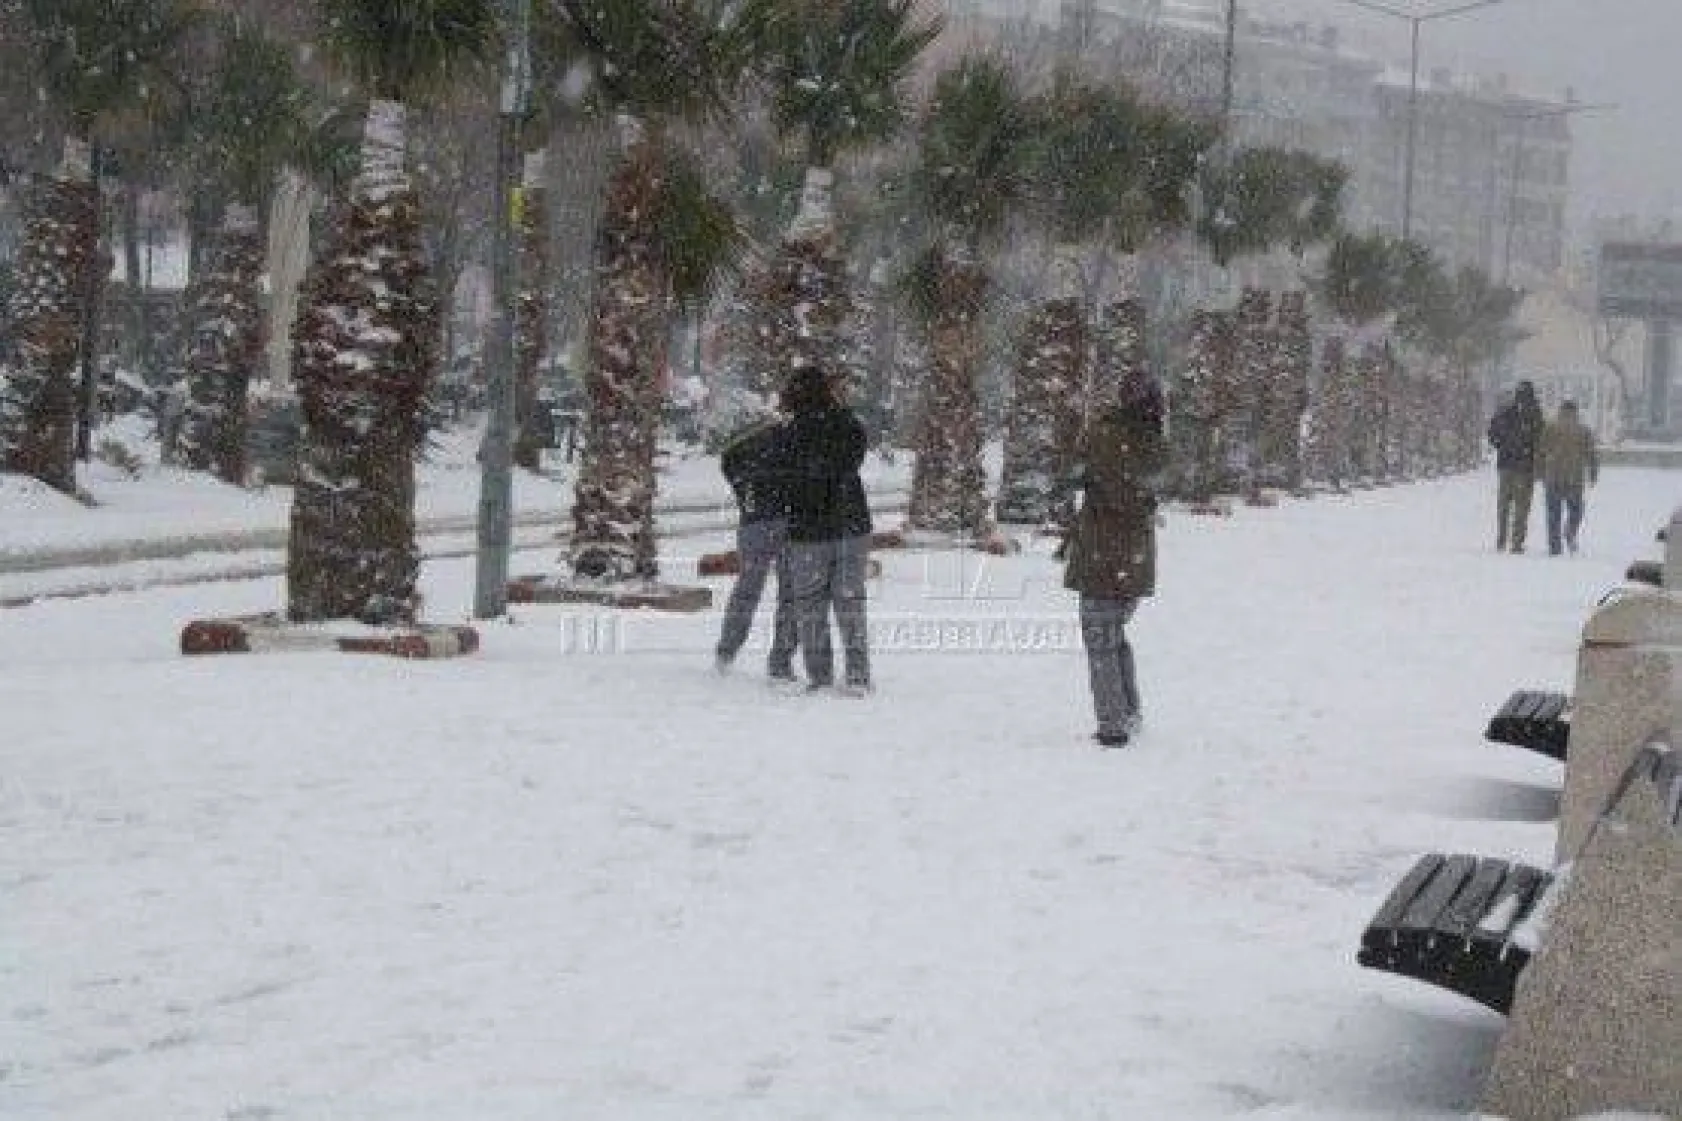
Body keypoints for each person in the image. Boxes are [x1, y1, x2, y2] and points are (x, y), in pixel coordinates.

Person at [1061, 372, 1168, 748]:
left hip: (1102, 553)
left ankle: (1112, 724)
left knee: (1100, 638)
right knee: (1114, 635)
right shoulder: (1155, 443)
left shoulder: (1109, 436)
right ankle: (1128, 710)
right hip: (1133, 557)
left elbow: (1083, 471)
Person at [778, 369, 873, 695]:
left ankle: (820, 676)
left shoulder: (790, 433)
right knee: (850, 604)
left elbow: (782, 479)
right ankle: (858, 676)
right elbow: (853, 457)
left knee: (811, 608)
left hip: (807, 531)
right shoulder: (847, 425)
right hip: (850, 526)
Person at [714, 412, 798, 679]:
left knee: (747, 589)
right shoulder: (792, 441)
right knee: (790, 594)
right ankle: (781, 661)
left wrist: (746, 494)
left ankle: (727, 650)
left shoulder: (742, 447)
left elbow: (727, 463)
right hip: (789, 521)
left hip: (754, 522)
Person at [1487, 380, 1545, 553]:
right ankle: (1517, 542)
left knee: (1504, 504)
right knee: (1522, 506)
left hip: (1505, 464)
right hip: (1524, 466)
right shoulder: (1535, 414)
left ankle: (1501, 539)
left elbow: (1492, 434)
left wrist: (1502, 446)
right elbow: (1540, 441)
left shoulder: (1505, 412)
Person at [1538, 399, 1599, 556]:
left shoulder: (1550, 428)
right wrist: (1593, 473)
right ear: (1576, 412)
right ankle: (1570, 531)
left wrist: (1540, 472)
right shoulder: (1583, 430)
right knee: (1576, 510)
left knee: (1553, 514)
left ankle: (1554, 547)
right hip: (1574, 477)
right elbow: (1591, 454)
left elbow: (1540, 451)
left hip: (1553, 476)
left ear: (1560, 411)